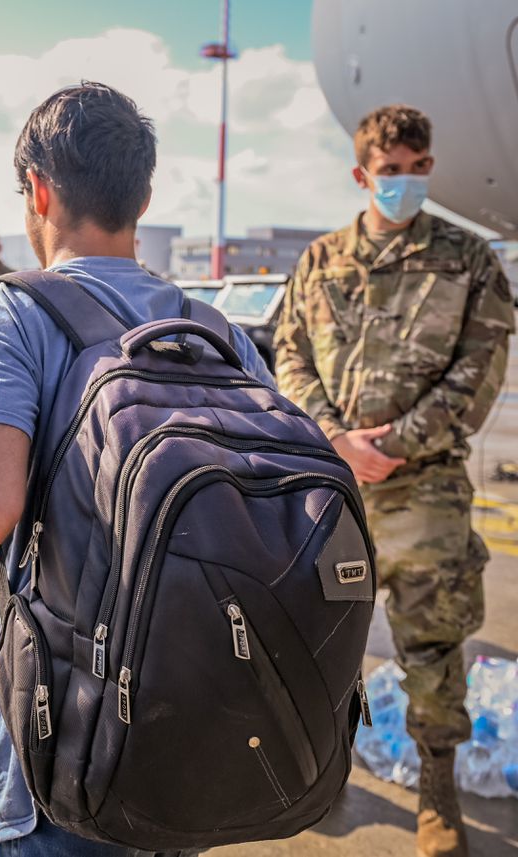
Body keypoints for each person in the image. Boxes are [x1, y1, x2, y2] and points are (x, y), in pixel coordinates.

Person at [0, 82, 270, 855]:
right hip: (196, 725)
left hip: (67, 744)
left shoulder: (6, 314)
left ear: (37, 190)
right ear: (142, 193)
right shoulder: (217, 329)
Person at [274, 104, 513, 857]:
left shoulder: (470, 259)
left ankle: (436, 790)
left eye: (416, 170)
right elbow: (288, 355)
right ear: (361, 174)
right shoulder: (319, 261)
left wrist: (399, 445)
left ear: (428, 168)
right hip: (332, 486)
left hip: (425, 489)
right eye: (389, 172)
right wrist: (339, 437)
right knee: (321, 637)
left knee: (432, 642)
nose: (403, 183)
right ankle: (324, 769)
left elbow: (481, 369)